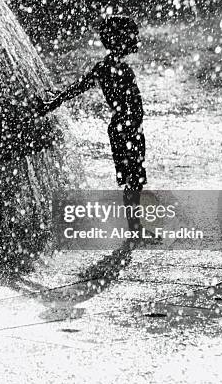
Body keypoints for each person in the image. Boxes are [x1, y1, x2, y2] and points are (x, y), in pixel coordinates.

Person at [37, 15, 152, 239]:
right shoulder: (113, 68)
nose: (136, 40)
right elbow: (79, 87)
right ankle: (134, 228)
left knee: (133, 179)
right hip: (126, 129)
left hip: (125, 128)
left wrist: (54, 103)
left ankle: (135, 227)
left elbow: (76, 88)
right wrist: (52, 103)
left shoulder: (105, 67)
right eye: (132, 35)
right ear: (120, 40)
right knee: (133, 179)